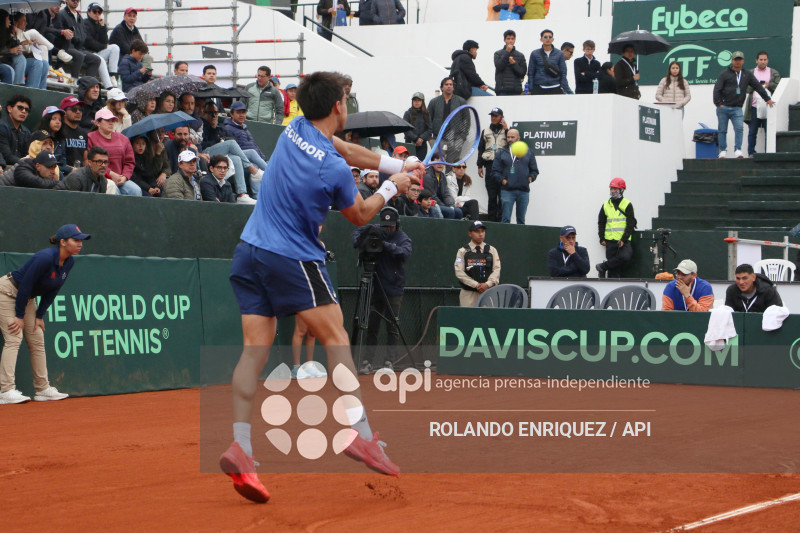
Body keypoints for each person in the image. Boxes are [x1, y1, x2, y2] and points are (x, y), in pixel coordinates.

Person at [221, 71, 422, 503]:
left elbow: (345, 147)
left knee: (253, 352)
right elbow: (360, 214)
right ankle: (360, 433)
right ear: (338, 106)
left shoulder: (294, 129)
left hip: (249, 252)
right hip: (291, 257)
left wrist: (397, 165)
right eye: (346, 98)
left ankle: (241, 446)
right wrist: (394, 187)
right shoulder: (332, 168)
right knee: (336, 337)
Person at [0, 224, 89, 404]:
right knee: (14, 337)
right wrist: (19, 316)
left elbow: (53, 289)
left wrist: (40, 315)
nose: (80, 244)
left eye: (81, 241)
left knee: (37, 338)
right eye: (76, 240)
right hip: (7, 293)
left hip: (27, 299)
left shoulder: (69, 262)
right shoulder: (44, 258)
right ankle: (6, 390)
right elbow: (25, 286)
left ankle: (42, 389)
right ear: (63, 242)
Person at [352, 206, 412, 373]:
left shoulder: (403, 237)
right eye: (385, 226)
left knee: (392, 326)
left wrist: (384, 245)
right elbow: (357, 234)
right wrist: (365, 239)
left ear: (397, 224)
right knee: (372, 325)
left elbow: (405, 253)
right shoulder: (375, 230)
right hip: (375, 286)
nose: (387, 229)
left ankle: (389, 361)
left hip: (393, 287)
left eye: (391, 226)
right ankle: (367, 361)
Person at [714, 50, 775, 159]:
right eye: (736, 59)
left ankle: (738, 150)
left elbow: (758, 86)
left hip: (737, 108)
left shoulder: (747, 74)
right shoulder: (724, 74)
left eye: (740, 59)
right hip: (724, 107)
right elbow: (717, 89)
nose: (738, 62)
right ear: (732, 61)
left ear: (743, 61)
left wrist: (767, 99)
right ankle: (723, 151)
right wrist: (718, 104)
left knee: (739, 129)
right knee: (722, 130)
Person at [86, 108, 141, 196]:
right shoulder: (90, 137)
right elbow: (90, 162)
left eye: (112, 120)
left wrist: (125, 176)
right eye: (107, 120)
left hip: (120, 178)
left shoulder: (123, 139)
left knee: (136, 190)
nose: (111, 123)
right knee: (113, 190)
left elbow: (130, 162)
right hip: (99, 178)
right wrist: (110, 173)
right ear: (98, 123)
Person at [492, 128, 538, 224]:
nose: (510, 139)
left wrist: (531, 178)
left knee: (521, 220)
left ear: (518, 138)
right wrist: (503, 180)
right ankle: (504, 234)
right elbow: (495, 171)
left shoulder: (528, 152)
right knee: (505, 219)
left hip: (523, 191)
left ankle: (520, 235)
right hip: (507, 190)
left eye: (512, 137)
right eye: (508, 137)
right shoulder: (501, 152)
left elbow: (534, 170)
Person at [596, 177, 636, 278]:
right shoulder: (606, 205)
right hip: (610, 241)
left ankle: (602, 266)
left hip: (623, 240)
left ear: (621, 190)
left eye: (615, 189)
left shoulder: (627, 204)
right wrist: (601, 238)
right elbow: (601, 223)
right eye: (611, 189)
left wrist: (624, 239)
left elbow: (630, 223)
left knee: (625, 257)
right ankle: (609, 282)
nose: (613, 191)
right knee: (614, 270)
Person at [455, 221, 501, 307]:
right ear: (470, 233)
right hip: (468, 294)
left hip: (487, 292)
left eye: (482, 231)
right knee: (468, 315)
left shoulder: (492, 250)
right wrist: (476, 285)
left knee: (488, 315)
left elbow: (497, 269)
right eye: (477, 231)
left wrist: (487, 284)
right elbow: (459, 272)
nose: (480, 234)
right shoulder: (462, 251)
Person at [53, 0, 102, 82]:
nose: (76, 1)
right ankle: (74, 82)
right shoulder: (61, 14)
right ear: (67, 0)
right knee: (79, 56)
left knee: (96, 59)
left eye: (77, 0)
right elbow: (57, 32)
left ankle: (88, 84)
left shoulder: (79, 16)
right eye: (73, 0)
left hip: (78, 47)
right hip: (66, 46)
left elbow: (83, 34)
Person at [745, 51, 781, 157]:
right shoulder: (750, 73)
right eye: (761, 59)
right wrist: (757, 85)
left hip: (769, 106)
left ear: (767, 60)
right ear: (756, 60)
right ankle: (751, 152)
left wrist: (770, 85)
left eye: (765, 59)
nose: (763, 61)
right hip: (754, 106)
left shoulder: (773, 72)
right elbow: (745, 88)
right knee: (752, 132)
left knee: (768, 131)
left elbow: (779, 86)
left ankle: (768, 153)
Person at [477, 107, 507, 222]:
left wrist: (506, 129)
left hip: (503, 166)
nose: (493, 118)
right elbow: (481, 149)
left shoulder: (507, 131)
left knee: (502, 195)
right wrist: (479, 166)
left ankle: (501, 220)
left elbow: (512, 145)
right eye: (492, 116)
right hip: (489, 165)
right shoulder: (485, 131)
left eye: (496, 116)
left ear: (501, 118)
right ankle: (491, 220)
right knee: (492, 194)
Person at [223, 101, 270, 176]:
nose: (241, 115)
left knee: (264, 164)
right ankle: (272, 174)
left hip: (252, 160)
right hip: (240, 161)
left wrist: (264, 159)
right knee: (254, 163)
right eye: (238, 112)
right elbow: (233, 150)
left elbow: (254, 146)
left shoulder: (245, 129)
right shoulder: (228, 128)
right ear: (231, 114)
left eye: (243, 112)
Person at [82, 3, 119, 89]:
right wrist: (103, 46)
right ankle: (109, 87)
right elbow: (89, 42)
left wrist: (102, 27)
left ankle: (112, 75)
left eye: (99, 12)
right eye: (95, 11)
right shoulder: (84, 23)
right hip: (88, 53)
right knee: (100, 60)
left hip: (97, 51)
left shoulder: (100, 24)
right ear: (88, 12)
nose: (97, 14)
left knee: (115, 47)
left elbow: (105, 41)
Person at [11, 12, 49, 90]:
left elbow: (28, 51)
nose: (26, 23)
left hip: (25, 60)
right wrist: (22, 43)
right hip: (14, 61)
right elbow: (12, 48)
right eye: (23, 21)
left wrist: (33, 46)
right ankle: (32, 90)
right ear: (16, 22)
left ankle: (42, 90)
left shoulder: (25, 34)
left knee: (45, 63)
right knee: (37, 63)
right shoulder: (11, 32)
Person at [527, 29, 569, 95]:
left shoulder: (559, 53)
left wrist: (562, 86)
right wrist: (531, 88)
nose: (548, 39)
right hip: (539, 87)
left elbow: (563, 71)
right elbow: (531, 72)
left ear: (553, 39)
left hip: (556, 86)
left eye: (550, 37)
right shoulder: (535, 53)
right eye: (545, 37)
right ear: (541, 39)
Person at [0, 94, 32, 169]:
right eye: (20, 108)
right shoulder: (2, 127)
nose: (24, 111)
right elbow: (7, 156)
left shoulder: (26, 132)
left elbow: (27, 155)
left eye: (27, 110)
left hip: (21, 168)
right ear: (9, 109)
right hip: (5, 168)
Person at [494, 29, 526, 96]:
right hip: (502, 90)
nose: (510, 41)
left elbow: (522, 73)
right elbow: (499, 67)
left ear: (515, 40)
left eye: (512, 39)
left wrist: (514, 64)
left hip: (516, 90)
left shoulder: (520, 55)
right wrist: (507, 52)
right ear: (504, 40)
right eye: (508, 39)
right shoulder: (498, 54)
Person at [60, 96, 88, 172]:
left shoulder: (84, 133)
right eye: (73, 109)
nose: (78, 112)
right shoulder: (59, 131)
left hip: (81, 173)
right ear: (64, 112)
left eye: (80, 109)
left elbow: (86, 160)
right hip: (64, 172)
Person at [402, 92, 432, 160]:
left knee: (419, 163)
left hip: (422, 145)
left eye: (419, 100)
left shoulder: (427, 114)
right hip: (410, 143)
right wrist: (415, 139)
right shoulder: (408, 113)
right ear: (412, 101)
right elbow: (405, 128)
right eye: (415, 100)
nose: (417, 102)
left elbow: (430, 129)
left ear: (422, 102)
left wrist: (421, 138)